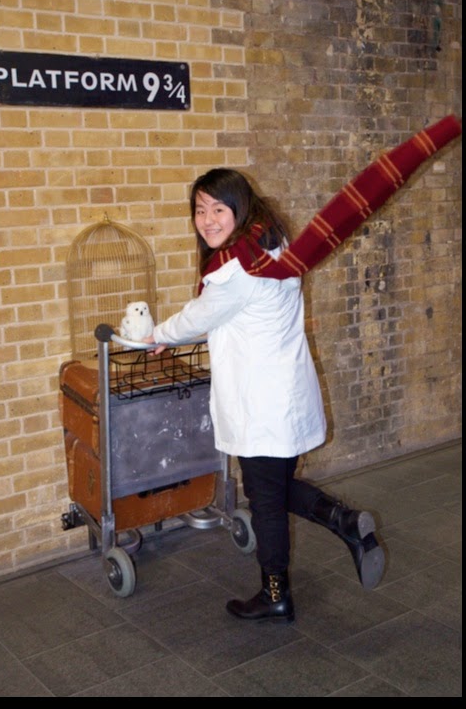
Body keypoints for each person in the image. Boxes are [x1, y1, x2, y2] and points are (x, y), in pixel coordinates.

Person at [143, 168, 385, 623]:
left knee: (266, 501)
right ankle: (344, 521)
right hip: (283, 393)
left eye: (218, 209)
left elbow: (199, 316)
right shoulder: (270, 247)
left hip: (260, 401)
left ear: (239, 209)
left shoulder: (237, 270)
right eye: (199, 209)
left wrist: (158, 334)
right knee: (274, 487)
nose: (207, 220)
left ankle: (276, 592)